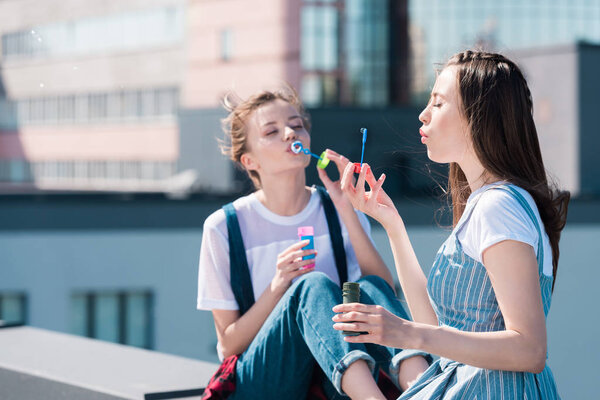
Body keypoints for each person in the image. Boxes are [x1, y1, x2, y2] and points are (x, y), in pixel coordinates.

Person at [333, 50, 569, 399]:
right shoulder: (492, 204)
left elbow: (529, 349)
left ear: (478, 118)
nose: (423, 115)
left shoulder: (498, 206)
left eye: (438, 103)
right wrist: (392, 225)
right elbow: (437, 330)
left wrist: (406, 333)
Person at [196, 86, 429, 400]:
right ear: (249, 161)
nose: (290, 133)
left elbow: (382, 288)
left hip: (330, 377)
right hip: (266, 382)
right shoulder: (224, 227)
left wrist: (347, 209)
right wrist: (279, 286)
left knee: (368, 287)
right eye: (271, 131)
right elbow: (228, 345)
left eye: (297, 124)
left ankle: (425, 389)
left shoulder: (338, 206)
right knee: (312, 285)